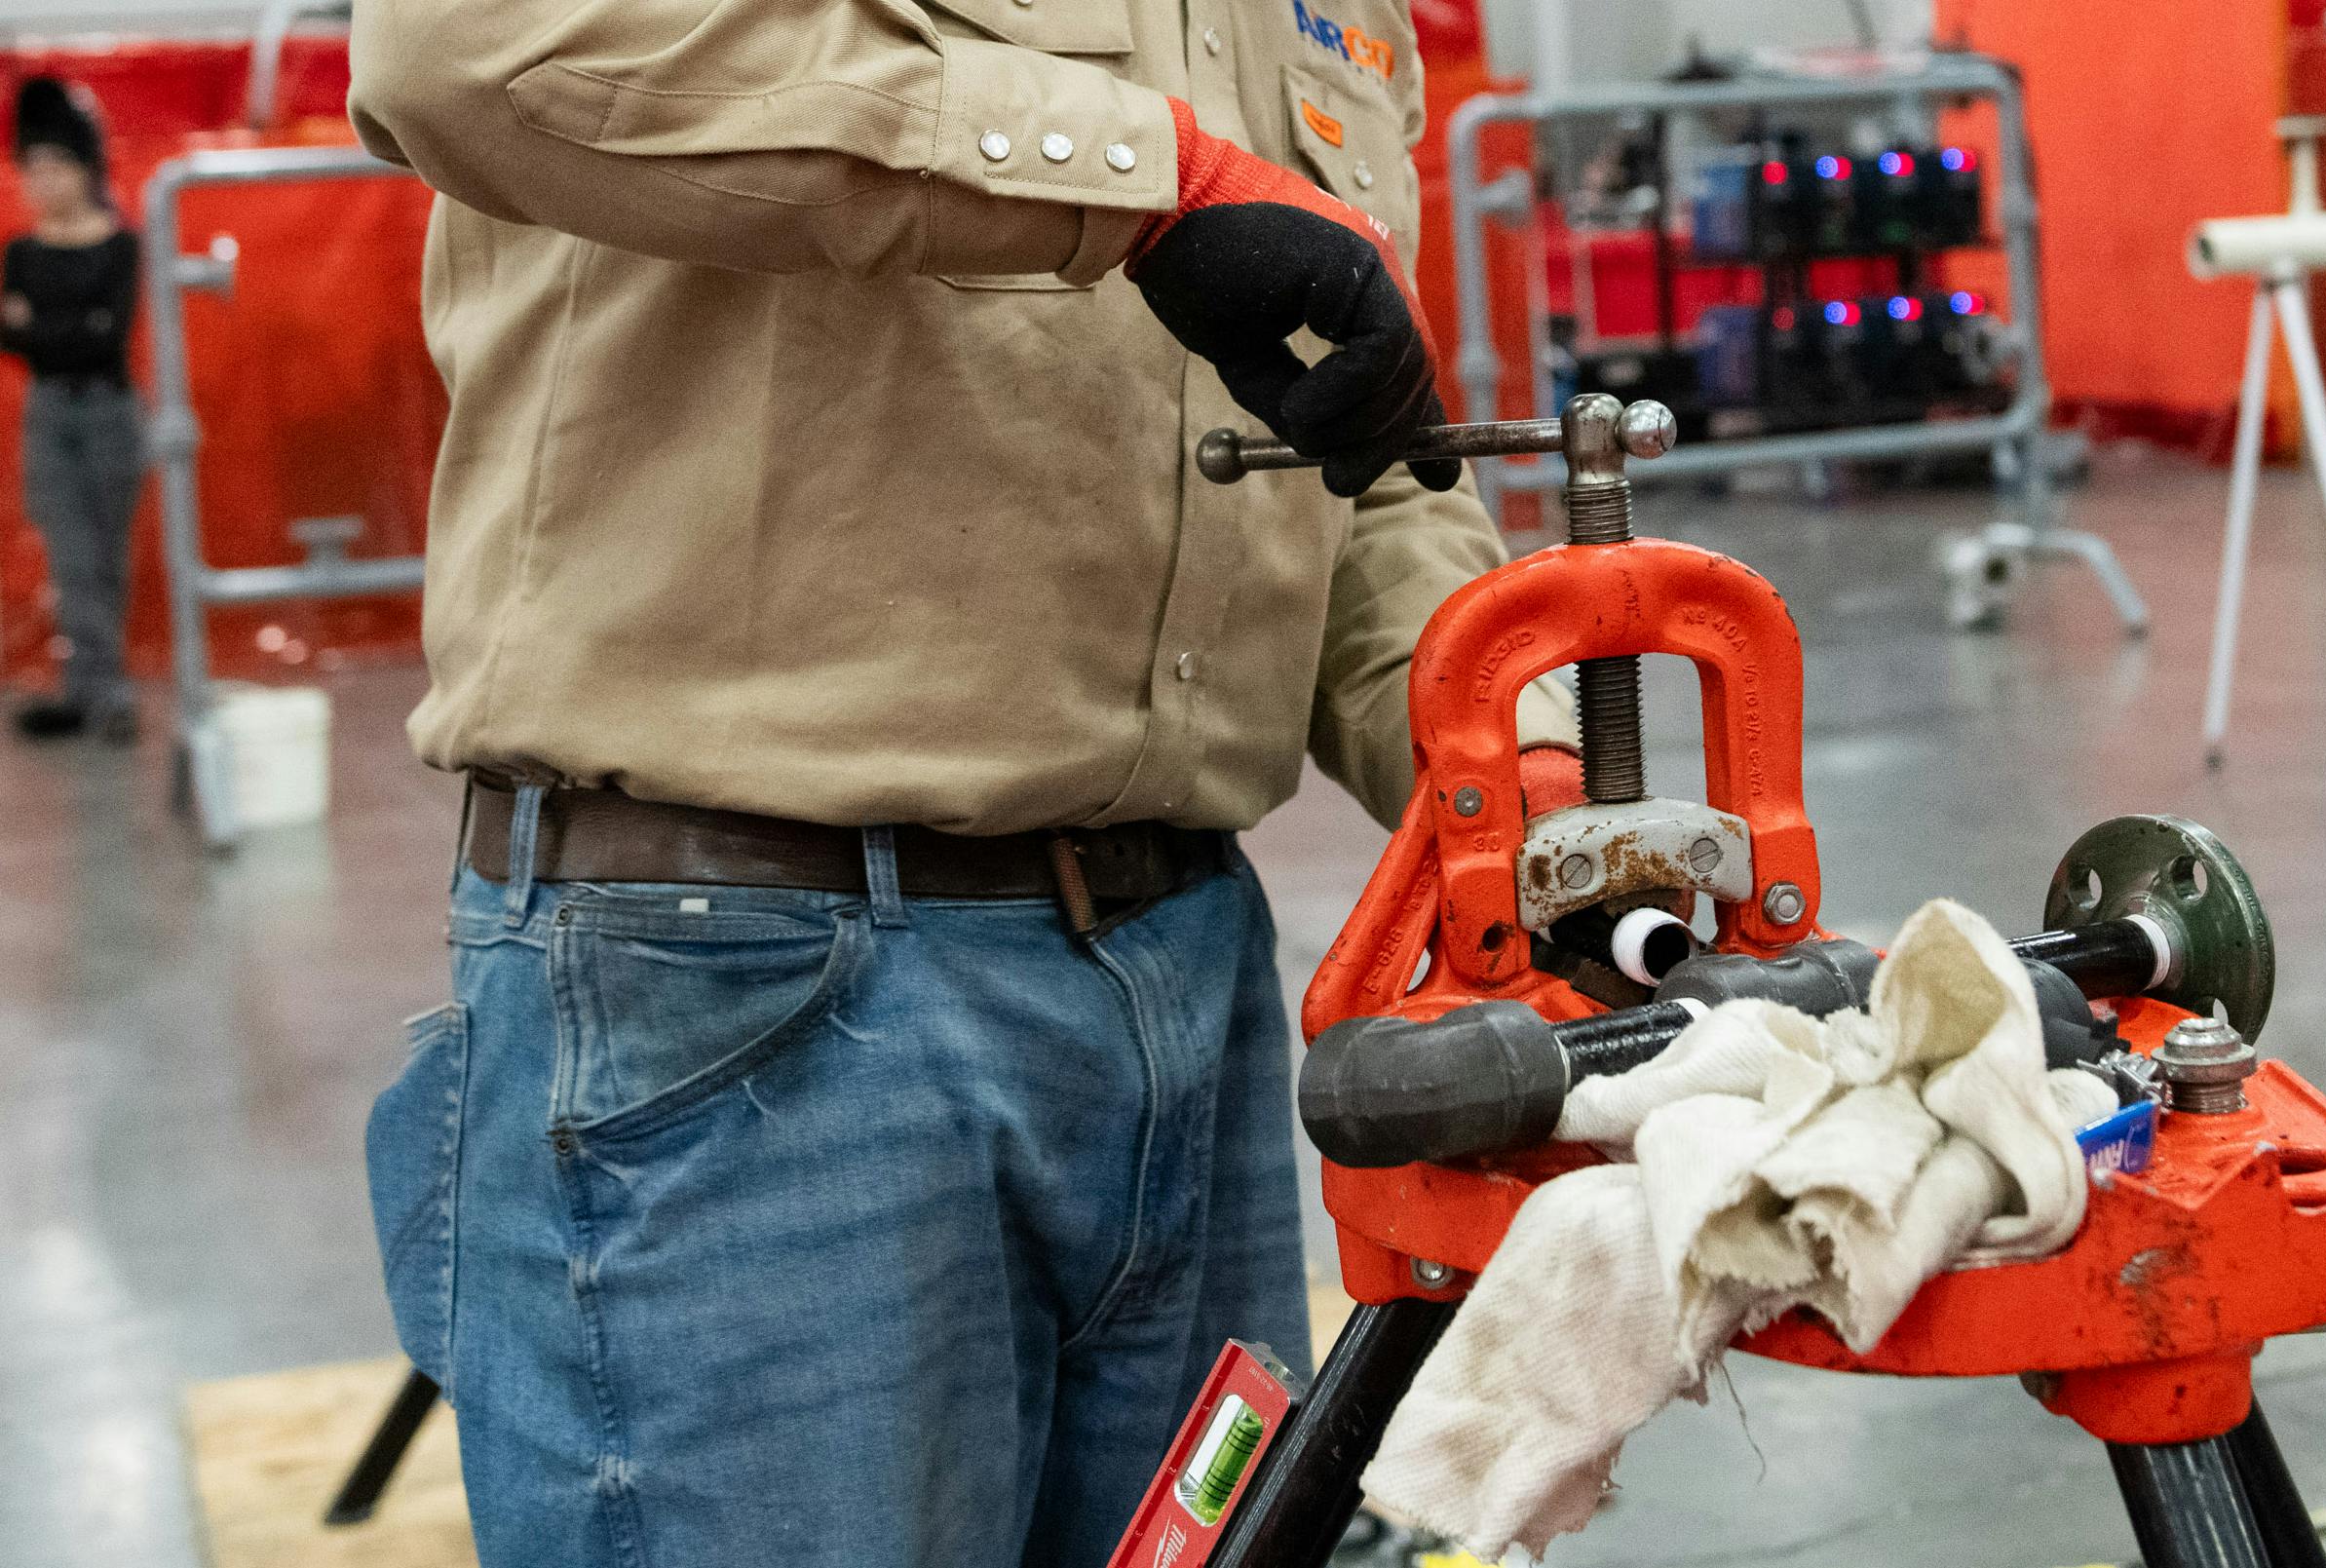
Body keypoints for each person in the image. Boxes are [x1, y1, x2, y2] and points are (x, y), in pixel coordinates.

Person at [344, 3, 1572, 1565]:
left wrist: (1504, 770)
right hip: (756, 1002)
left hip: (1183, 984)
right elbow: (468, 55)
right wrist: (1144, 184)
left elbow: (1352, 446)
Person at [4, 76, 142, 744]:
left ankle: (95, 686)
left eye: (54, 166)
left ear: (84, 169)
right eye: (31, 169)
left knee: (107, 557)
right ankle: (98, 690)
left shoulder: (119, 246)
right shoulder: (22, 253)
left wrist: (42, 327)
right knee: (73, 555)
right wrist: (66, 329)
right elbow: (25, 340)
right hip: (51, 415)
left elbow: (103, 336)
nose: (41, 181)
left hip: (110, 413)